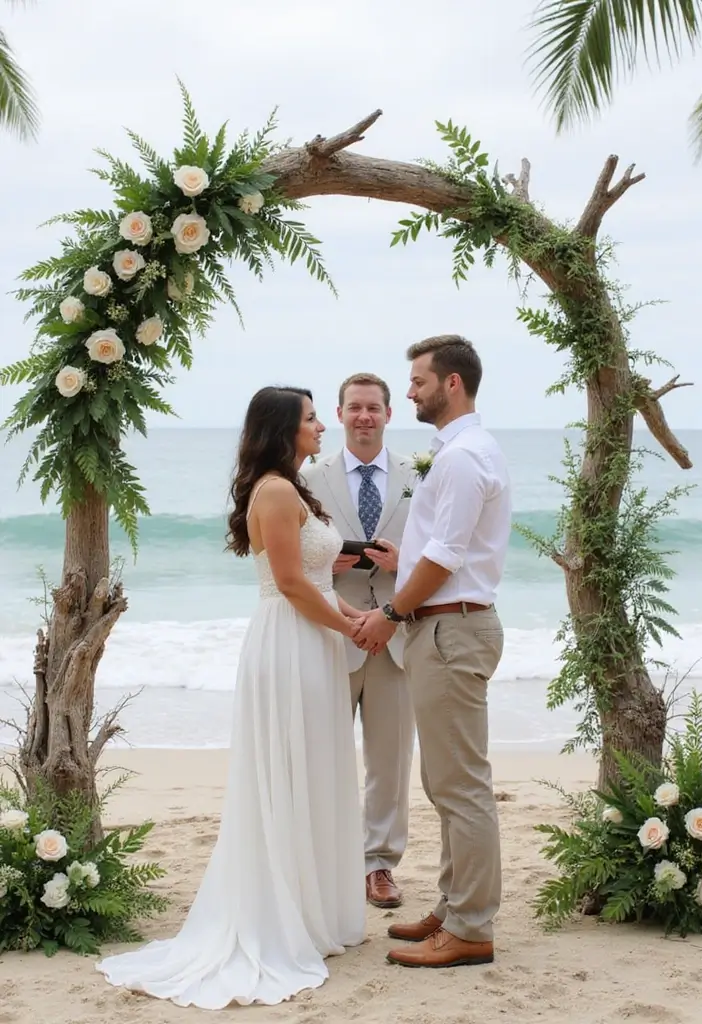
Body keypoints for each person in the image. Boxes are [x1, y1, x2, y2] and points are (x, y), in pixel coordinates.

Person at [96, 386, 367, 1008]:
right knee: (290, 768)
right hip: (290, 642)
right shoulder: (274, 492)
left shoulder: (292, 488)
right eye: (311, 418)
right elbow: (292, 584)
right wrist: (347, 626)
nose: (321, 426)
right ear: (283, 428)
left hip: (313, 639)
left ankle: (313, 910)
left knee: (315, 768)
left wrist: (355, 619)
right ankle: (284, 916)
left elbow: (318, 580)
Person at [355, 336, 512, 969]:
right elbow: (445, 549)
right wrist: (409, 564)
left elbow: (448, 556)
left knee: (461, 784)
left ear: (452, 384)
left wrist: (391, 613)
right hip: (447, 627)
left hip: (452, 630)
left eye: (418, 381)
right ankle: (452, 908)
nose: (410, 391)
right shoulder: (462, 451)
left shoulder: (463, 457)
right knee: (444, 781)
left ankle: (471, 926)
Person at [303, 373, 415, 909]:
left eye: (373, 407)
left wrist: (404, 564)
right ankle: (326, 860)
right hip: (333, 631)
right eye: (354, 407)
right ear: (340, 413)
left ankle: (379, 865)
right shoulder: (309, 476)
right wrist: (326, 563)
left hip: (397, 633)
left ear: (389, 414)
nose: (364, 416)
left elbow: (441, 550)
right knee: (323, 753)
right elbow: (290, 553)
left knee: (390, 760)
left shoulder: (419, 475)